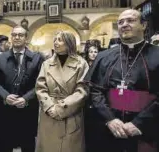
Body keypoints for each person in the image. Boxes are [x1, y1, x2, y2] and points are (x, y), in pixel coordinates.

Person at [85, 9, 159, 152]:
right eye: (120, 22)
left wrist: (140, 123)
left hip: (147, 130)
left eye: (130, 20)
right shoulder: (103, 57)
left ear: (143, 25)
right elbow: (95, 91)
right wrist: (109, 119)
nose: (124, 25)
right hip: (108, 130)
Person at [0, 26, 44, 152]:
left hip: (27, 111)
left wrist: (26, 98)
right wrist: (5, 96)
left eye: (20, 35)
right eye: (14, 35)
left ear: (26, 38)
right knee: (4, 145)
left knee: (28, 145)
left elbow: (41, 83)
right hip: (5, 112)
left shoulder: (37, 58)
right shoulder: (0, 58)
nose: (17, 37)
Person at [35, 31, 89, 152]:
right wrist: (49, 107)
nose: (55, 42)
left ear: (69, 43)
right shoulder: (46, 64)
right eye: (55, 39)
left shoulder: (81, 63)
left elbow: (82, 90)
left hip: (70, 112)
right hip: (49, 114)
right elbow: (40, 88)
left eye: (60, 40)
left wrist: (61, 109)